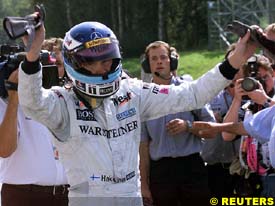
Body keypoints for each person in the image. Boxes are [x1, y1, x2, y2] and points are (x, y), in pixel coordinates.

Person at [18, 18, 256, 205]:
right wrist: (31, 58)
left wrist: (236, 59)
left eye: (109, 56)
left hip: (131, 198)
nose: (106, 64)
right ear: (76, 62)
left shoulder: (132, 92)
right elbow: (31, 102)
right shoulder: (62, 102)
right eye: (94, 59)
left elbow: (192, 94)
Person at [139, 41, 216, 206]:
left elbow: (212, 130)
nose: (159, 62)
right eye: (154, 59)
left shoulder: (189, 91)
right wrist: (144, 186)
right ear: (147, 65)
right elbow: (143, 147)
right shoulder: (142, 99)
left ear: (171, 61)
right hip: (161, 172)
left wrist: (188, 126)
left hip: (191, 167)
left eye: (163, 57)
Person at [0, 65, 68, 205]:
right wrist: (14, 97)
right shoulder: (5, 101)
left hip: (69, 194)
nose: (39, 73)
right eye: (33, 68)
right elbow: (4, 150)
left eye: (58, 65)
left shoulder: (69, 98)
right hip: (23, 195)